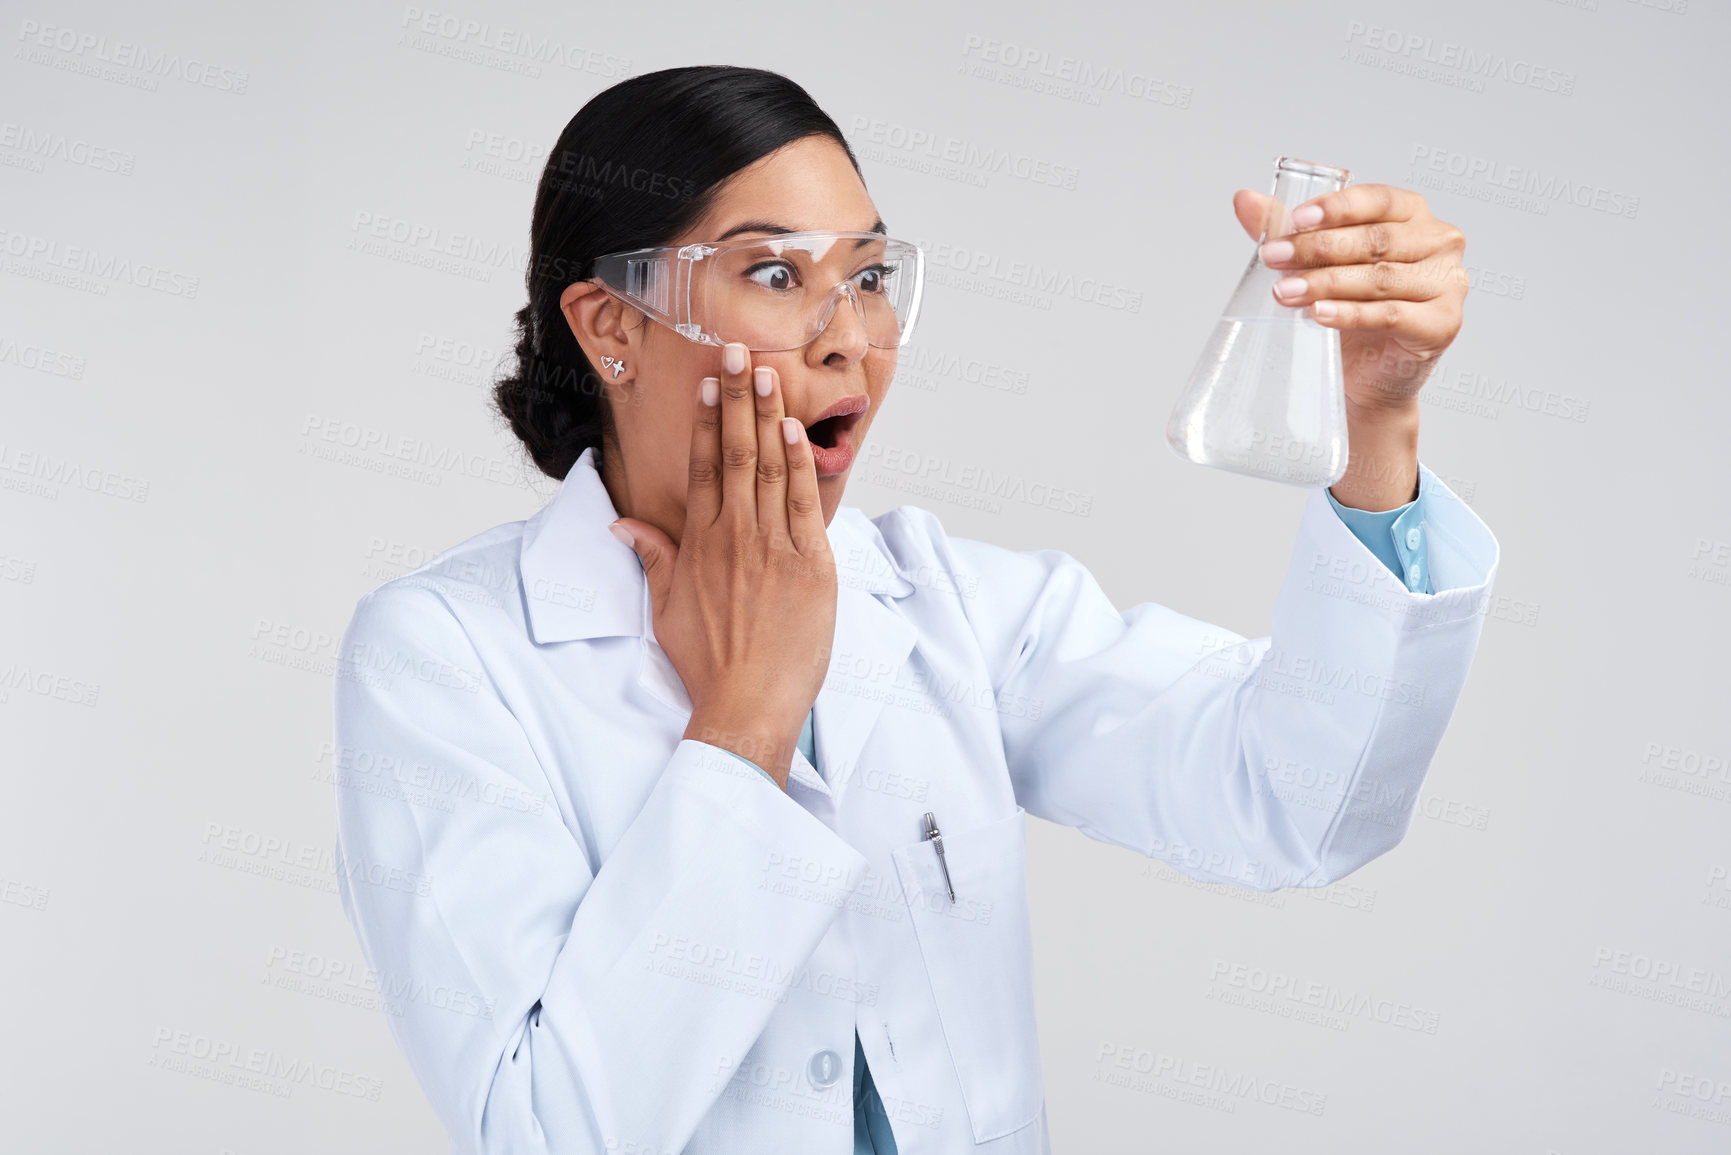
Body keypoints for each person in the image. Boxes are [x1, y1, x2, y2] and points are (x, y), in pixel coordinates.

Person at [331, 65, 1497, 1155]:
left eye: (871, 277)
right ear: (613, 326)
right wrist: (747, 722)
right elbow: (547, 1127)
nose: (849, 338)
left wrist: (1378, 422)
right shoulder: (447, 657)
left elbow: (1296, 803)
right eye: (778, 275)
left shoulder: (950, 606)